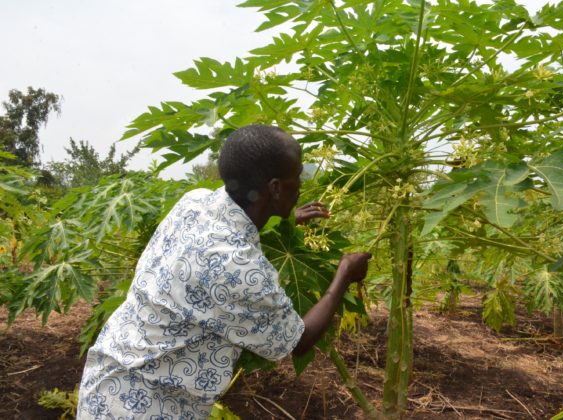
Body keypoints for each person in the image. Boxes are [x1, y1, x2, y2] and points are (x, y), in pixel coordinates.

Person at [76, 125, 371, 419]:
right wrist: (344, 273)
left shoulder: (193, 202)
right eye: (297, 175)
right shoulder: (241, 270)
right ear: (276, 188)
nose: (302, 183)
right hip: (146, 408)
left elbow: (236, 224)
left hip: (106, 385)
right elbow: (298, 340)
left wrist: (281, 211)